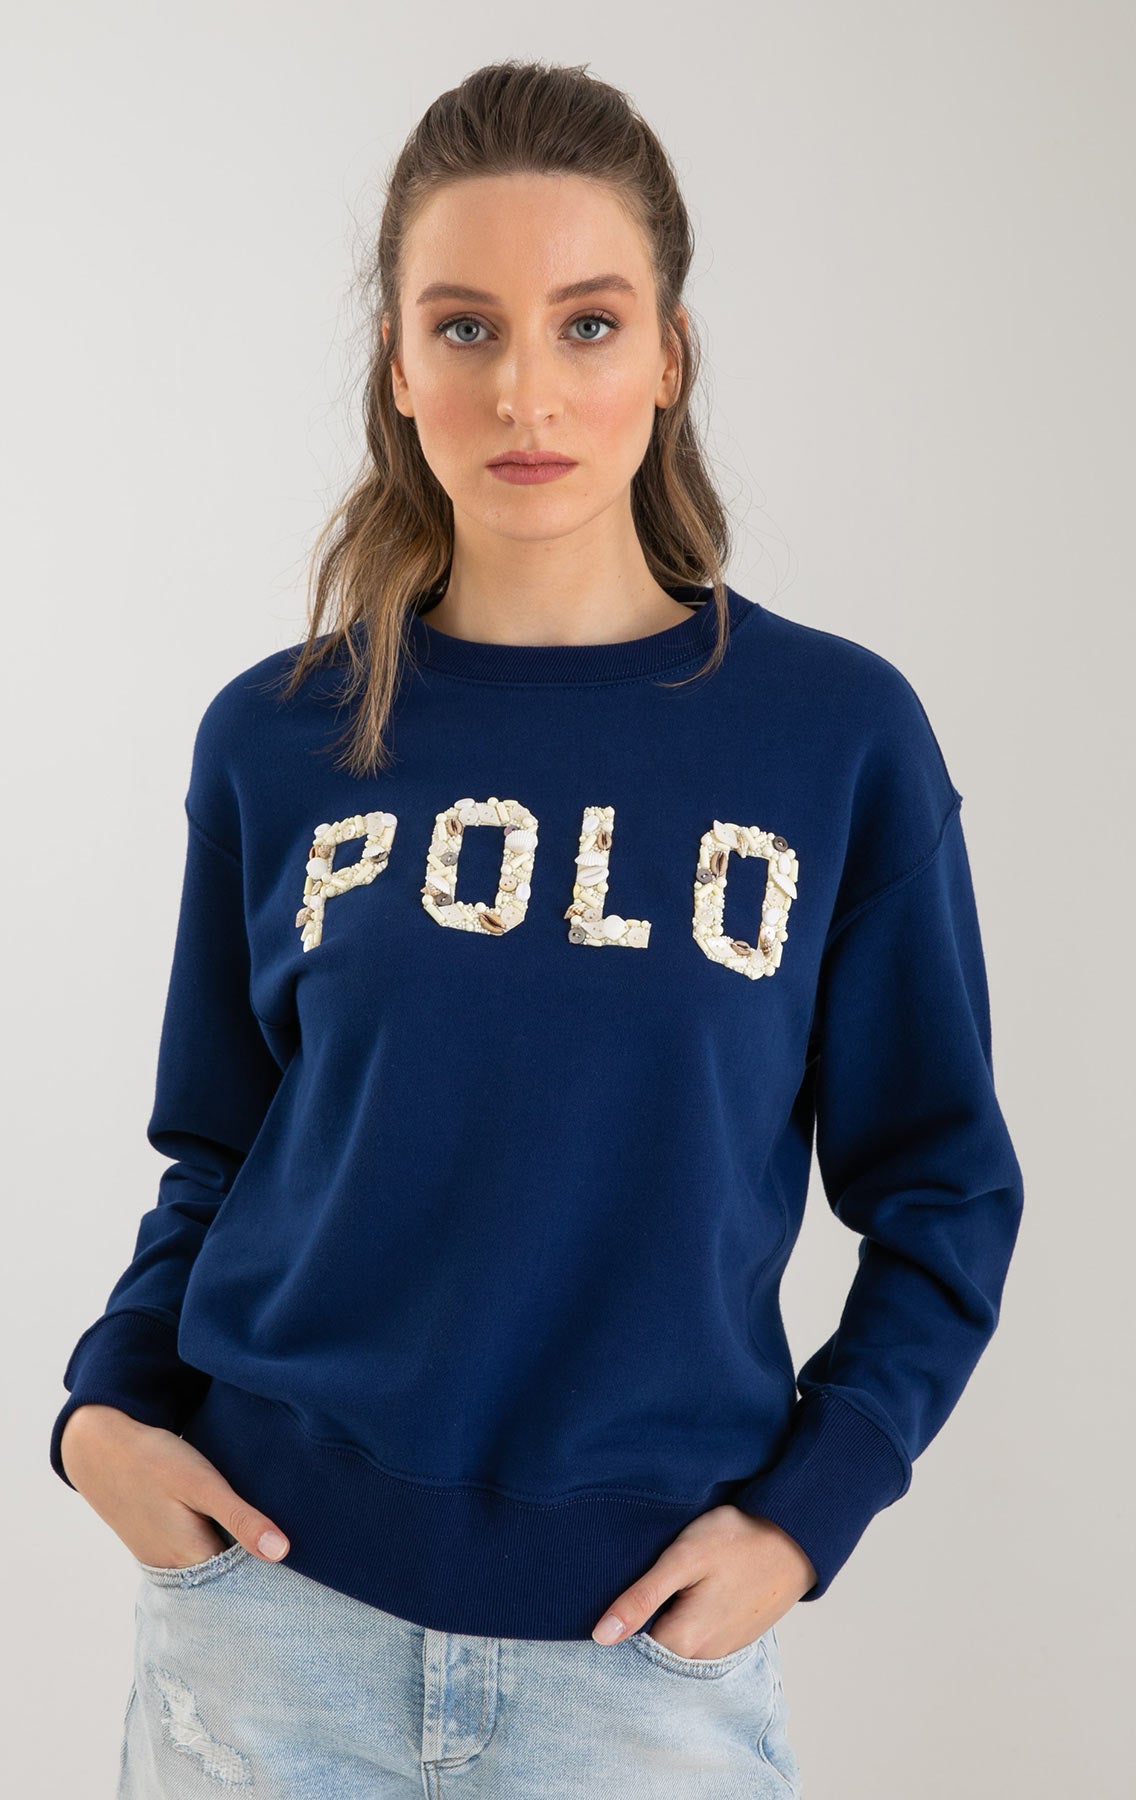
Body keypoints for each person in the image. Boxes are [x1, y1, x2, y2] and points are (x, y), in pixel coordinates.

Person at [50, 59, 1024, 1799]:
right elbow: (218, 1152)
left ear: (670, 356)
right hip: (265, 1637)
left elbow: (944, 1192)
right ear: (397, 365)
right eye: (465, 327)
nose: (526, 392)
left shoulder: (835, 741)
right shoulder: (277, 738)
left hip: (639, 1674)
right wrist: (101, 1416)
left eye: (586, 325)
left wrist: (809, 1513)